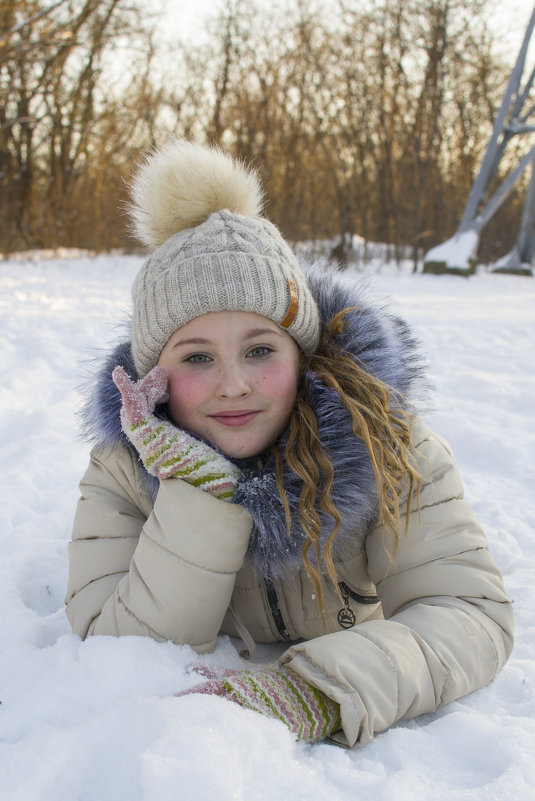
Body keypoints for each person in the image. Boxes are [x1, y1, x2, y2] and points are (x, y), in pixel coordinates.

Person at [66, 140, 513, 747]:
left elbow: (468, 614)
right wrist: (196, 495)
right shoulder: (122, 471)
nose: (234, 385)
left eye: (260, 350)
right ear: (154, 375)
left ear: (301, 356)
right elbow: (117, 650)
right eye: (197, 357)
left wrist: (317, 690)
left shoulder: (388, 445)